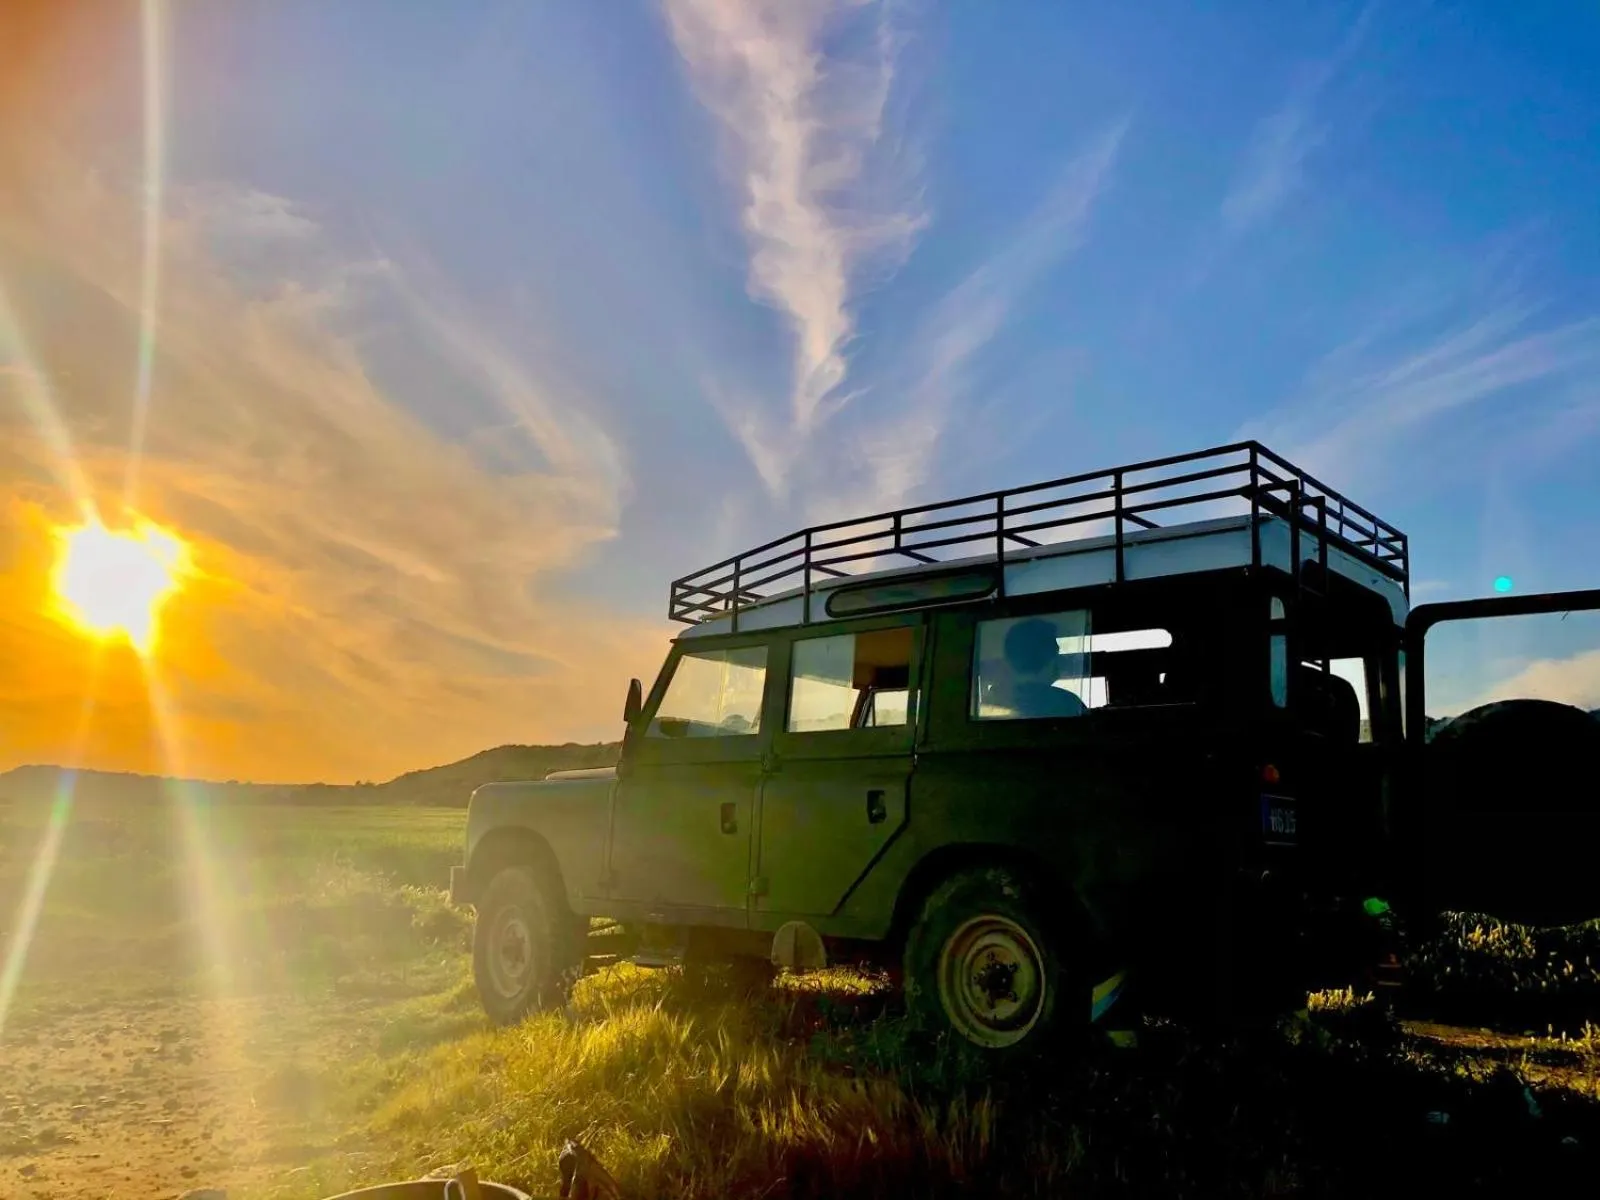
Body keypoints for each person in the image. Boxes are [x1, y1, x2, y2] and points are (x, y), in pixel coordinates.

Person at [994, 617, 1086, 719]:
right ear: (1050, 657)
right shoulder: (1069, 703)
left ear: (1010, 658)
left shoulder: (992, 702)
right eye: (1057, 653)